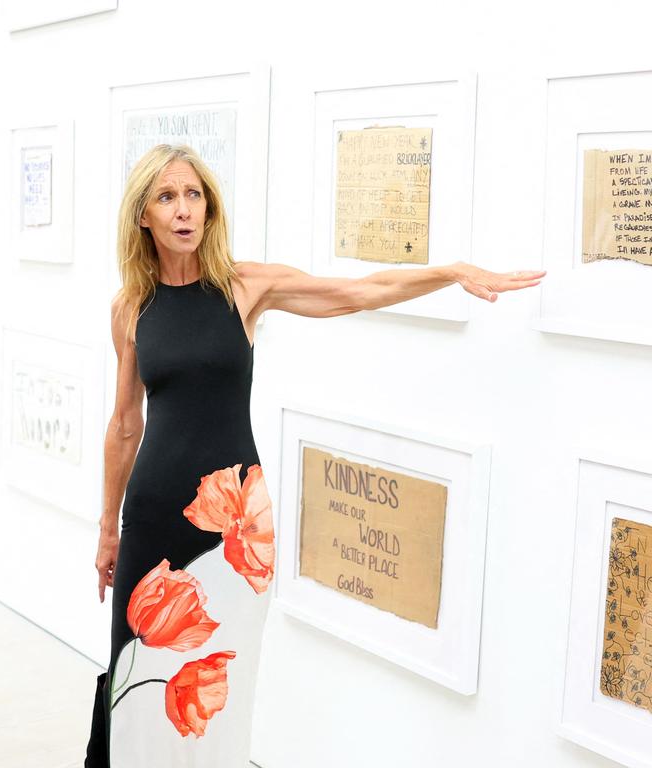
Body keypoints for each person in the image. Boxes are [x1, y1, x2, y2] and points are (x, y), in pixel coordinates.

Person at [85, 144, 543, 766]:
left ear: (210, 207)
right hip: (152, 518)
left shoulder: (246, 286)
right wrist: (109, 528)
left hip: (238, 527)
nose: (184, 210)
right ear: (143, 215)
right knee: (139, 685)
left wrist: (448, 272)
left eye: (194, 195)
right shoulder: (129, 308)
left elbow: (358, 291)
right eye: (166, 197)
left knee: (217, 692)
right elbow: (122, 425)